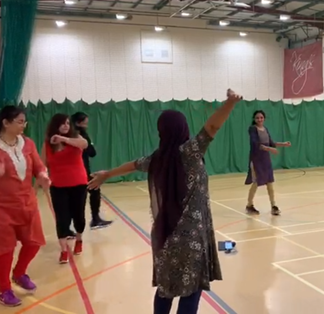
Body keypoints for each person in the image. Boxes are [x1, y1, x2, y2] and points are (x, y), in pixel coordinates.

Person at [87, 89, 242, 314]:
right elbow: (212, 128)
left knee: (165, 289)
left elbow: (132, 164)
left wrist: (107, 174)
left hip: (164, 236)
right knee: (191, 290)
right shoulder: (189, 152)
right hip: (191, 237)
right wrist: (230, 103)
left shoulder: (157, 158)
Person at [0, 106, 50, 307]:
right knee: (4, 250)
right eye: (20, 121)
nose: (24, 125)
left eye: (25, 121)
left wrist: (42, 176)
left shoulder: (28, 143)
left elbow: (39, 166)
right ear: (6, 122)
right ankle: (4, 289)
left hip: (27, 203)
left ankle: (19, 272)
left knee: (34, 242)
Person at [43, 113, 89, 264]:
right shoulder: (48, 144)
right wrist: (41, 179)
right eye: (62, 123)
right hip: (58, 186)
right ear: (55, 126)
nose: (65, 126)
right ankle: (63, 250)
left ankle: (79, 239)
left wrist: (63, 139)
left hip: (79, 184)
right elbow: (42, 165)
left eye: (68, 123)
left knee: (79, 216)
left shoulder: (76, 139)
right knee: (62, 219)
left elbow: (85, 145)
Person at [71, 112, 113, 229]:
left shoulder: (71, 135)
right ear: (78, 123)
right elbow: (92, 152)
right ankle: (93, 220)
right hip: (81, 170)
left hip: (82, 170)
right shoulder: (81, 135)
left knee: (92, 191)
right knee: (87, 194)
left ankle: (92, 220)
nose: (86, 126)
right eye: (85, 123)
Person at [244, 110, 291, 216]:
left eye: (261, 117)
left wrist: (283, 144)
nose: (259, 119)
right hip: (256, 159)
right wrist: (270, 149)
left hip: (265, 159)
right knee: (256, 183)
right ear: (254, 119)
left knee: (270, 183)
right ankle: (249, 205)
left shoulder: (265, 129)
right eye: (257, 118)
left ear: (264, 118)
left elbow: (271, 143)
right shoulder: (252, 129)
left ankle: (273, 206)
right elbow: (256, 144)